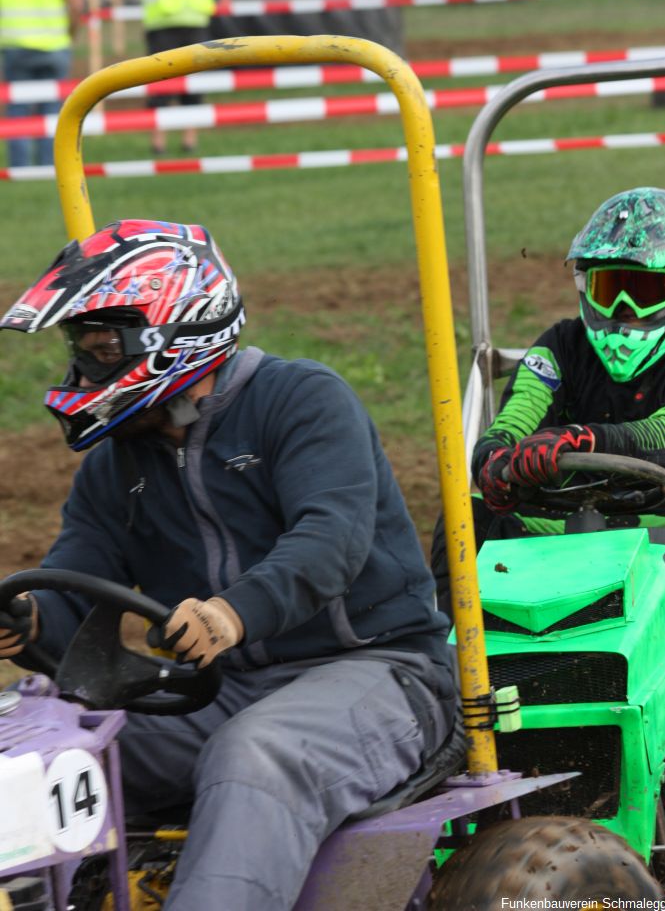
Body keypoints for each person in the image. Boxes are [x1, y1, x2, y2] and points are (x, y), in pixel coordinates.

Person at [0, 218, 457, 911]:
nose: (84, 367)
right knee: (48, 748)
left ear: (174, 331)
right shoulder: (116, 467)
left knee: (255, 756)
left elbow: (328, 540)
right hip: (219, 691)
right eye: (82, 349)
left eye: (101, 348)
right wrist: (27, 624)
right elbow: (74, 580)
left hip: (380, 676)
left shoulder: (301, 401)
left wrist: (230, 613)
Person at [431, 186, 665, 613]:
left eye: (644, 291)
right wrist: (496, 465)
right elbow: (513, 419)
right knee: (465, 516)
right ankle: (458, 664)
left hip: (658, 530)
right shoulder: (560, 346)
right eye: (609, 287)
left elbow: (658, 430)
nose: (623, 308)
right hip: (562, 526)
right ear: (584, 289)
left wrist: (583, 439)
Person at [131, 0, 219, 155]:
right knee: (160, 83)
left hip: (195, 18)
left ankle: (189, 140)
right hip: (162, 20)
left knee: (194, 84)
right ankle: (158, 141)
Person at [0, 0, 83, 167]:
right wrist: (70, 33)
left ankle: (20, 168)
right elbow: (76, 2)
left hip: (14, 45)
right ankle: (52, 165)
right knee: (55, 112)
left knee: (18, 110)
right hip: (54, 44)